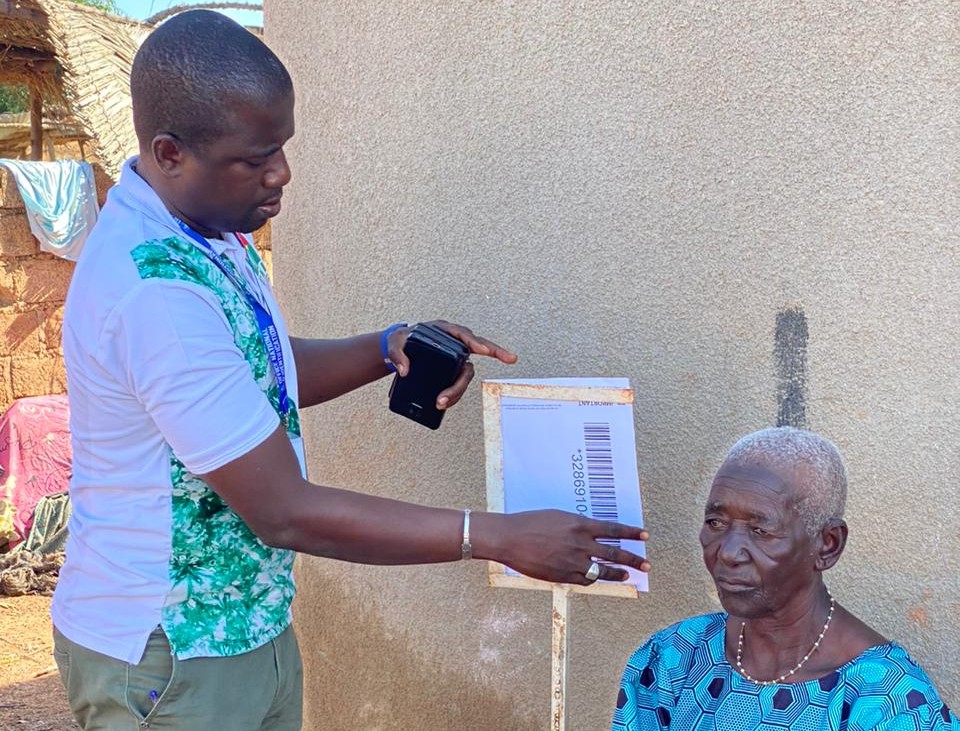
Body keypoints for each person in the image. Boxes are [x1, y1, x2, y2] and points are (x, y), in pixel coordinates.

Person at [50, 10, 650, 731]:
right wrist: (496, 536)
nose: (282, 173)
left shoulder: (208, 231)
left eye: (282, 147)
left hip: (245, 624)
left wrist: (384, 347)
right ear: (170, 153)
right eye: (255, 158)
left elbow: (251, 373)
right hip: (169, 654)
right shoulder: (154, 292)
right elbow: (283, 510)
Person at [612, 426, 958, 731]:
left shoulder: (887, 701)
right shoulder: (674, 657)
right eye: (716, 523)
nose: (728, 552)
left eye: (760, 530)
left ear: (827, 545)